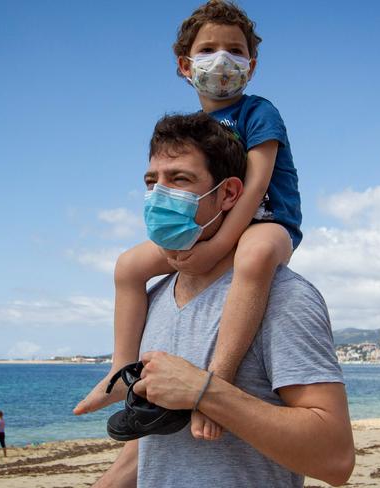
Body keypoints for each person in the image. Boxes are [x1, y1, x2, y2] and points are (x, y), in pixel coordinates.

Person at [75, 0, 302, 442]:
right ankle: (121, 370)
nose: (223, 59)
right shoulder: (196, 128)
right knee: (128, 266)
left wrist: (214, 249)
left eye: (235, 51)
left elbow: (254, 187)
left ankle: (219, 380)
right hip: (211, 227)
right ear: (185, 64)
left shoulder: (259, 112)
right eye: (209, 48)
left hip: (269, 222)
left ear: (251, 66)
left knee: (253, 258)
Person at [93, 113, 354, 487]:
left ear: (230, 193)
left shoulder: (284, 297)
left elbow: (336, 459)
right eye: (152, 182)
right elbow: (151, 450)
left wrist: (205, 392)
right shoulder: (153, 298)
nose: (160, 195)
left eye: (180, 180)